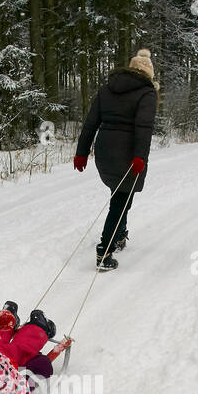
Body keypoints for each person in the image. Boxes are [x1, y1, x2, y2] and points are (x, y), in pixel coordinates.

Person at [74, 48, 159, 270]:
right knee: (120, 201)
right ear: (148, 73)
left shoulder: (107, 89)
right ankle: (105, 251)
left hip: (104, 151)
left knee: (119, 193)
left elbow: (91, 122)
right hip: (128, 153)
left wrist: (82, 152)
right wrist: (140, 156)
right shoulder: (147, 92)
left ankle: (120, 236)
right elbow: (144, 127)